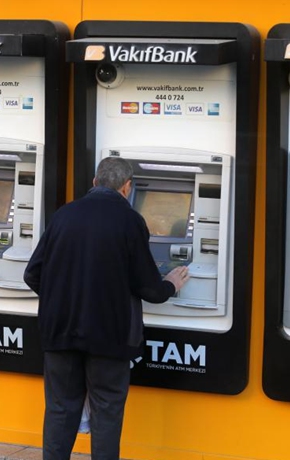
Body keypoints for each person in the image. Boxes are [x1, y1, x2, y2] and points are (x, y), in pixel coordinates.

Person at [24, 156, 189, 460]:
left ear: (94, 182)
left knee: (60, 408)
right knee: (106, 411)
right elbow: (149, 288)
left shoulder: (64, 215)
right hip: (109, 337)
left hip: (60, 332)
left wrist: (63, 300)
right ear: (127, 188)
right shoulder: (130, 221)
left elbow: (32, 273)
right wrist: (171, 285)